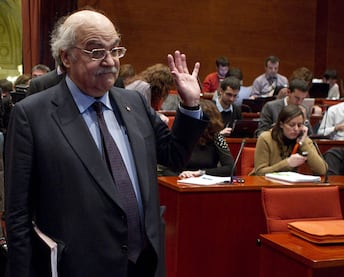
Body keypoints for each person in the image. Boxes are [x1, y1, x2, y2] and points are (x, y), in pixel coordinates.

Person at [5, 9, 208, 277]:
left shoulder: (134, 103)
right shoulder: (32, 115)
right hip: (79, 266)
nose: (110, 61)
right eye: (96, 51)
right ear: (66, 57)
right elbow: (18, 215)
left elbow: (174, 156)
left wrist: (190, 105)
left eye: (115, 50)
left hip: (144, 262)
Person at [161, 99, 234, 177]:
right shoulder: (180, 135)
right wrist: (181, 176)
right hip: (180, 182)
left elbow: (230, 168)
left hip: (206, 183)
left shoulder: (216, 137)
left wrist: (201, 173)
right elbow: (163, 169)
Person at [252, 104, 327, 176]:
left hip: (292, 186)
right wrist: (287, 163)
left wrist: (302, 143)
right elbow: (259, 172)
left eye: (299, 125)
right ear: (281, 124)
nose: (296, 129)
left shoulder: (304, 140)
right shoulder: (266, 138)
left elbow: (322, 170)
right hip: (267, 184)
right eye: (291, 125)